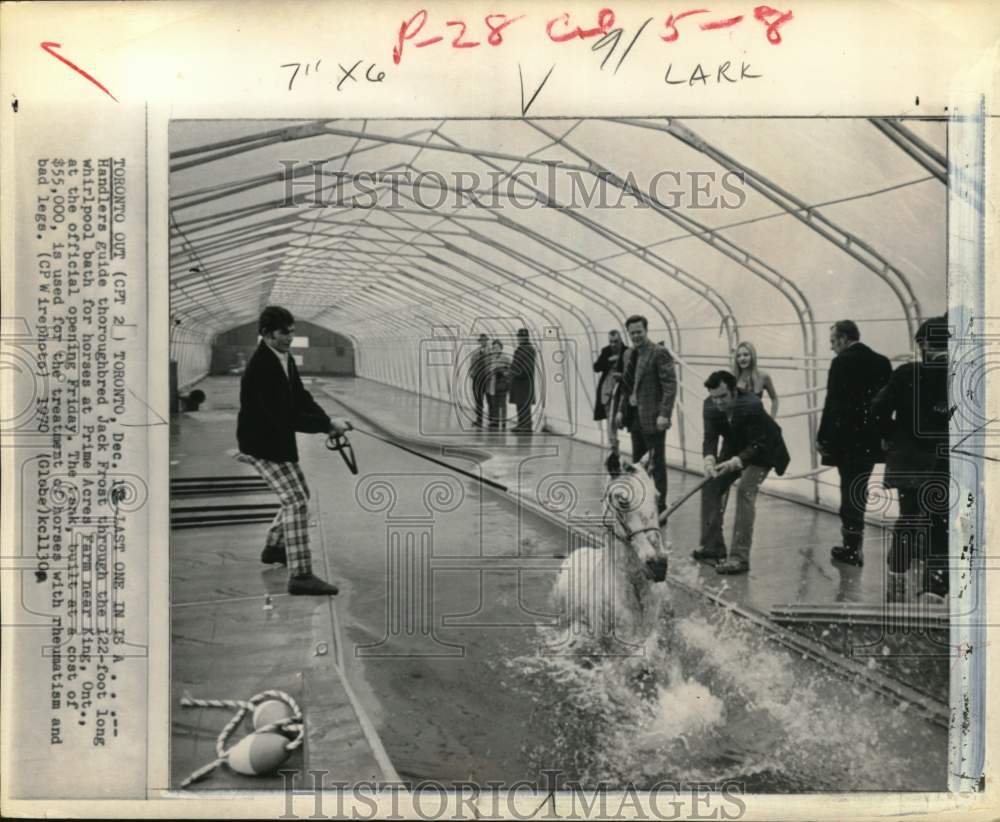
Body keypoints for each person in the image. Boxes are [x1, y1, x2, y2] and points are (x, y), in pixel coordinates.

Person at [236, 306, 350, 596]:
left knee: (299, 495)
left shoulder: (283, 357)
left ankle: (275, 548)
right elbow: (283, 416)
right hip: (262, 444)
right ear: (266, 334)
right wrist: (326, 425)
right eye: (283, 333)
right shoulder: (261, 367)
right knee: (296, 501)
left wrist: (327, 421)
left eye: (292, 332)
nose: (290, 337)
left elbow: (300, 397)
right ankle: (300, 575)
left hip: (277, 441)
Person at [873, 316, 951, 600]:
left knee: (908, 520)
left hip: (909, 462)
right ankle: (935, 588)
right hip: (945, 460)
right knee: (940, 523)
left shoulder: (906, 373)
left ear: (924, 344)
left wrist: (891, 435)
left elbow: (878, 409)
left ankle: (896, 582)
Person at [693, 371, 791, 574]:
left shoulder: (751, 404)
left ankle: (739, 558)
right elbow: (710, 438)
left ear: (734, 392)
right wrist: (709, 459)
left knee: (745, 489)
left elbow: (759, 443)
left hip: (764, 449)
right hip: (735, 446)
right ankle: (713, 547)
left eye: (723, 396)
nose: (718, 402)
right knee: (711, 484)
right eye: (714, 397)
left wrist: (738, 461)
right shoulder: (709, 405)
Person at [816, 320, 893, 567]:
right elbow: (887, 404)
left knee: (849, 488)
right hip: (870, 439)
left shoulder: (841, 362)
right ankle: (853, 543)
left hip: (846, 440)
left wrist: (822, 437)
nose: (831, 347)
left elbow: (832, 402)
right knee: (859, 487)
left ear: (844, 338)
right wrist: (885, 435)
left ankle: (852, 546)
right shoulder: (882, 362)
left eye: (833, 341)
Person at [614, 315, 677, 515]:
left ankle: (660, 509)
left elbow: (670, 386)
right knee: (638, 464)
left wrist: (664, 414)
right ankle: (642, 503)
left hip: (653, 417)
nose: (636, 336)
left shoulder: (659, 352)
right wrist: (620, 410)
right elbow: (626, 387)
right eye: (632, 333)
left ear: (646, 330)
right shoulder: (629, 354)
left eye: (639, 332)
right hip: (634, 417)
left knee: (656, 464)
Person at [593, 330, 628, 449]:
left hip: (623, 390)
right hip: (607, 390)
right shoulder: (606, 351)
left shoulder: (627, 351)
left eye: (616, 341)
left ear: (621, 340)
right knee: (610, 417)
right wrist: (608, 361)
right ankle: (613, 447)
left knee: (623, 417)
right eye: (611, 341)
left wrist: (622, 375)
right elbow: (596, 368)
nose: (613, 344)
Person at [733, 341, 779, 417]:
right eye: (738, 356)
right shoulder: (733, 377)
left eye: (746, 355)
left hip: (758, 421)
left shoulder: (763, 376)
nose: (742, 358)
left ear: (752, 356)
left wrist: (772, 419)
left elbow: (774, 399)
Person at [510, 328, 537, 433]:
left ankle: (526, 426)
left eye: (522, 337)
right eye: (519, 337)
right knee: (520, 404)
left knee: (524, 404)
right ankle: (521, 425)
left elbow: (527, 367)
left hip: (525, 382)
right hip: (518, 382)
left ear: (526, 337)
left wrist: (515, 373)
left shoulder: (529, 349)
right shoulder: (520, 349)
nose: (520, 339)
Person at [485, 339, 511, 431]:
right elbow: (488, 370)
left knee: (502, 404)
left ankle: (503, 422)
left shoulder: (505, 358)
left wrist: (503, 373)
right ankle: (495, 421)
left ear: (501, 348)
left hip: (501, 384)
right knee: (494, 403)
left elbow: (510, 371)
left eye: (496, 347)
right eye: (494, 347)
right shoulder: (491, 359)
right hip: (492, 384)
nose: (495, 349)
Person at [469, 333, 491, 428]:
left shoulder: (490, 352)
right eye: (481, 341)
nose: (483, 342)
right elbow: (472, 365)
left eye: (484, 340)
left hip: (487, 380)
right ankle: (479, 420)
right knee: (478, 400)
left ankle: (492, 421)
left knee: (490, 401)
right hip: (477, 379)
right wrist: (472, 374)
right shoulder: (476, 353)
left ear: (486, 341)